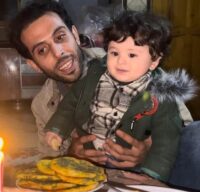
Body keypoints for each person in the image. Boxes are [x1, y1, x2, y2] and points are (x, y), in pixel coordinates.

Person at [44, 10, 197, 182]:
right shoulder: (94, 77)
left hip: (132, 167)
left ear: (154, 61)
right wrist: (56, 130)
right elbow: (70, 104)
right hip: (91, 160)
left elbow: (166, 140)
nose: (121, 61)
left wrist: (151, 174)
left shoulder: (160, 96)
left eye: (132, 55)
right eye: (114, 53)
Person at [8, 0, 152, 167]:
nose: (58, 52)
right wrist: (72, 155)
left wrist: (148, 148)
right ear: (33, 64)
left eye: (60, 37)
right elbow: (50, 160)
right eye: (42, 50)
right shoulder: (42, 105)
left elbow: (180, 122)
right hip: (101, 184)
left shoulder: (124, 61)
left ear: (75, 35)